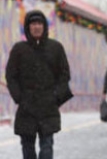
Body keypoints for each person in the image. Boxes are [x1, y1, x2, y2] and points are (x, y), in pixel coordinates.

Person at [6, 10, 73, 159]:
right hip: (26, 107)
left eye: (39, 23)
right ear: (27, 27)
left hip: (48, 107)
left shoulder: (55, 48)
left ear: (45, 26)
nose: (36, 27)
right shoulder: (19, 50)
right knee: (27, 148)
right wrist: (19, 97)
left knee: (47, 147)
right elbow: (11, 76)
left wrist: (56, 96)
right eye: (33, 23)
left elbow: (64, 75)